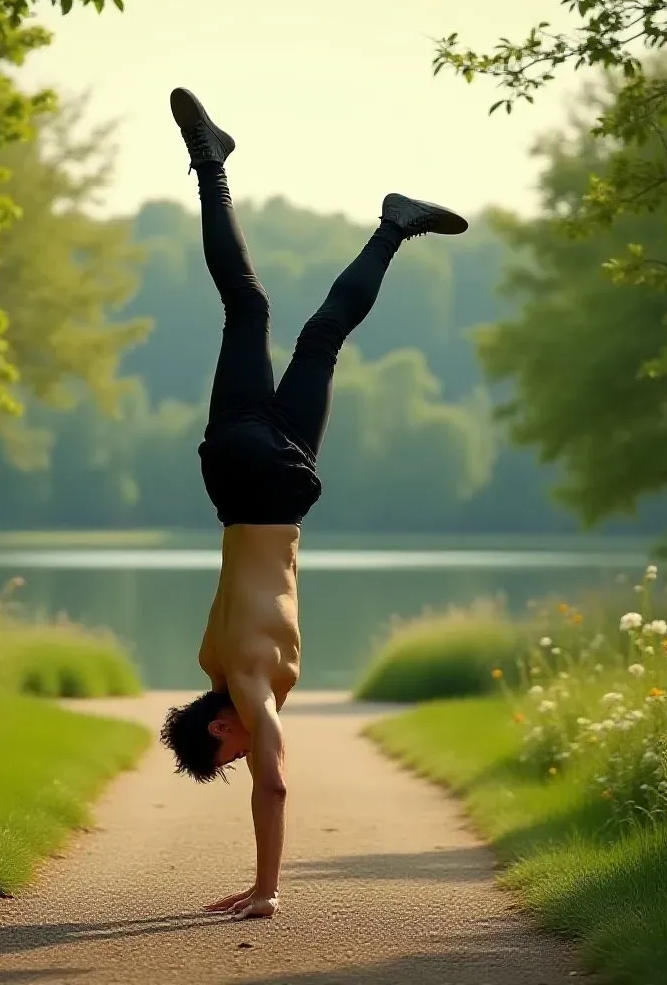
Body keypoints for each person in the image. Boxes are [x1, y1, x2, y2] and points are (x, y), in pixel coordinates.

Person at [159, 88, 468, 921]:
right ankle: (213, 166)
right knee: (250, 309)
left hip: (281, 485)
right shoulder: (212, 663)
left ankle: (393, 227)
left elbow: (278, 783)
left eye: (225, 754)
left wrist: (265, 888)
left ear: (219, 728)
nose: (243, 756)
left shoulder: (248, 682)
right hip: (229, 475)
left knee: (320, 339)